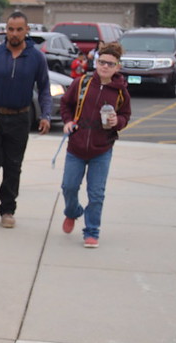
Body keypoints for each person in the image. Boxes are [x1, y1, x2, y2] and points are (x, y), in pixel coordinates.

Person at [0, 11, 51, 229]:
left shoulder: (36, 57)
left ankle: (7, 209)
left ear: (27, 30)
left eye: (19, 29)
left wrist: (46, 115)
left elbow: (45, 88)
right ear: (5, 30)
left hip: (20, 118)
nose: (15, 33)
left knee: (13, 165)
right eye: (11, 29)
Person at [59, 42, 131, 249]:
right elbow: (66, 104)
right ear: (96, 62)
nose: (105, 67)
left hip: (102, 149)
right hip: (77, 147)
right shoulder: (82, 83)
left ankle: (91, 231)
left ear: (117, 67)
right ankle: (72, 212)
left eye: (110, 64)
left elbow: (125, 114)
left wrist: (119, 121)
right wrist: (68, 121)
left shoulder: (120, 93)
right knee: (69, 187)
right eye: (102, 62)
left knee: (96, 193)